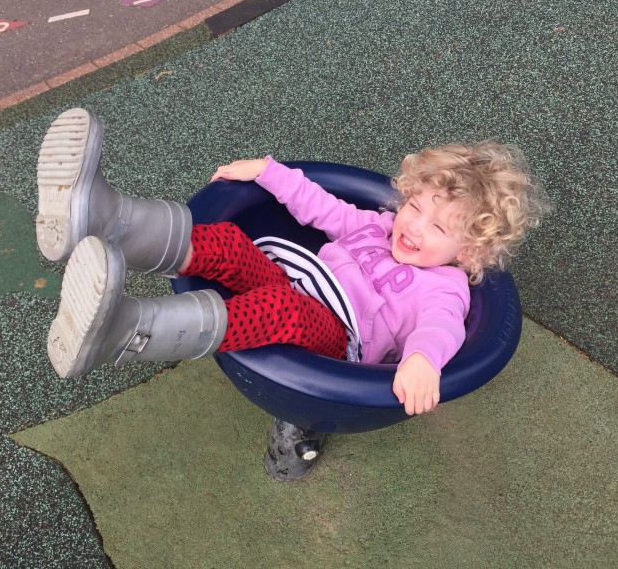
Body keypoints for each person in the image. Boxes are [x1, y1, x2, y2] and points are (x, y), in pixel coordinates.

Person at [36, 108, 547, 415]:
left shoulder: (444, 287)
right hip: (292, 279)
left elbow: (440, 329)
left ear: (471, 250)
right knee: (234, 245)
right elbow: (321, 206)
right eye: (415, 206)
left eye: (438, 228)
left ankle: (125, 332)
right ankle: (108, 219)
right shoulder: (377, 226)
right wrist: (270, 171)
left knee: (283, 309)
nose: (413, 226)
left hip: (334, 334)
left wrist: (421, 361)